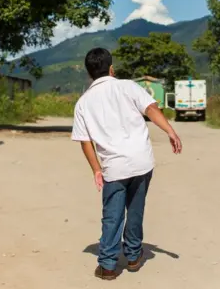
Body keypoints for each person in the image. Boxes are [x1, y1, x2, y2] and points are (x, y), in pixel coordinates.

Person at [71, 48, 182, 280]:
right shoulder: (129, 86)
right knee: (135, 210)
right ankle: (133, 257)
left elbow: (84, 141)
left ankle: (108, 266)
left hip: (115, 168)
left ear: (89, 73)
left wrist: (96, 169)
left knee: (113, 215)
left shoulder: (83, 103)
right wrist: (170, 131)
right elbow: (151, 109)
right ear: (111, 68)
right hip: (142, 162)